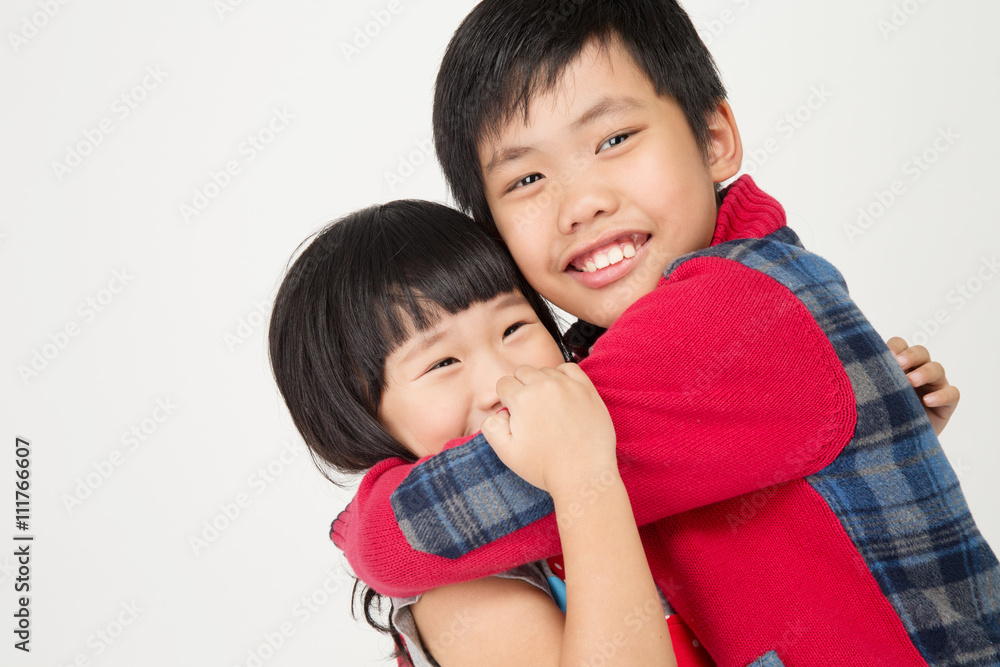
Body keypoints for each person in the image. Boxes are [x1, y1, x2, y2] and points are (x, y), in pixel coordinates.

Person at [331, 1, 998, 665]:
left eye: (613, 139)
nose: (581, 202)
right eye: (527, 178)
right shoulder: (684, 324)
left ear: (714, 139)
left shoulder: (726, 314)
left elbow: (421, 532)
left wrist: (358, 527)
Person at [269, 200, 687, 666]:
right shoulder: (456, 587)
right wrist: (582, 477)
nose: (501, 381)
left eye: (513, 327)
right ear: (357, 416)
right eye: (443, 362)